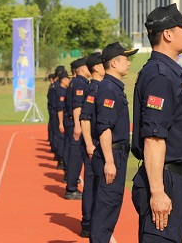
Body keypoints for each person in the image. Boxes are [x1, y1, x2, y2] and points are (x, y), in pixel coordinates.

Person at [131, 3, 182, 243]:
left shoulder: (167, 73)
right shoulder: (161, 76)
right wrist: (158, 191)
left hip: (173, 179)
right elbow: (153, 137)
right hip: (165, 180)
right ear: (168, 34)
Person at [89, 42, 138, 243]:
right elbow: (104, 128)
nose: (128, 62)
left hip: (117, 154)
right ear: (114, 63)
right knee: (106, 205)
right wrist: (109, 161)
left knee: (112, 203)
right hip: (112, 155)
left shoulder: (114, 87)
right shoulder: (109, 88)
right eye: (126, 59)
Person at [77, 52, 105, 238]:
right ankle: (88, 223)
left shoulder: (99, 87)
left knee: (96, 183)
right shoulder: (93, 89)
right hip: (92, 143)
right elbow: (85, 116)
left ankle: (92, 220)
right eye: (103, 63)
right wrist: (88, 143)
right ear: (96, 67)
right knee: (92, 182)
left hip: (96, 142)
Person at [63, 57, 90, 200]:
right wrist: (78, 127)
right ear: (81, 69)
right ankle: (71, 188)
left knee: (75, 155)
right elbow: (77, 106)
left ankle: (71, 184)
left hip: (72, 122)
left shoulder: (76, 82)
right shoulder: (80, 82)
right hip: (75, 123)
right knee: (76, 156)